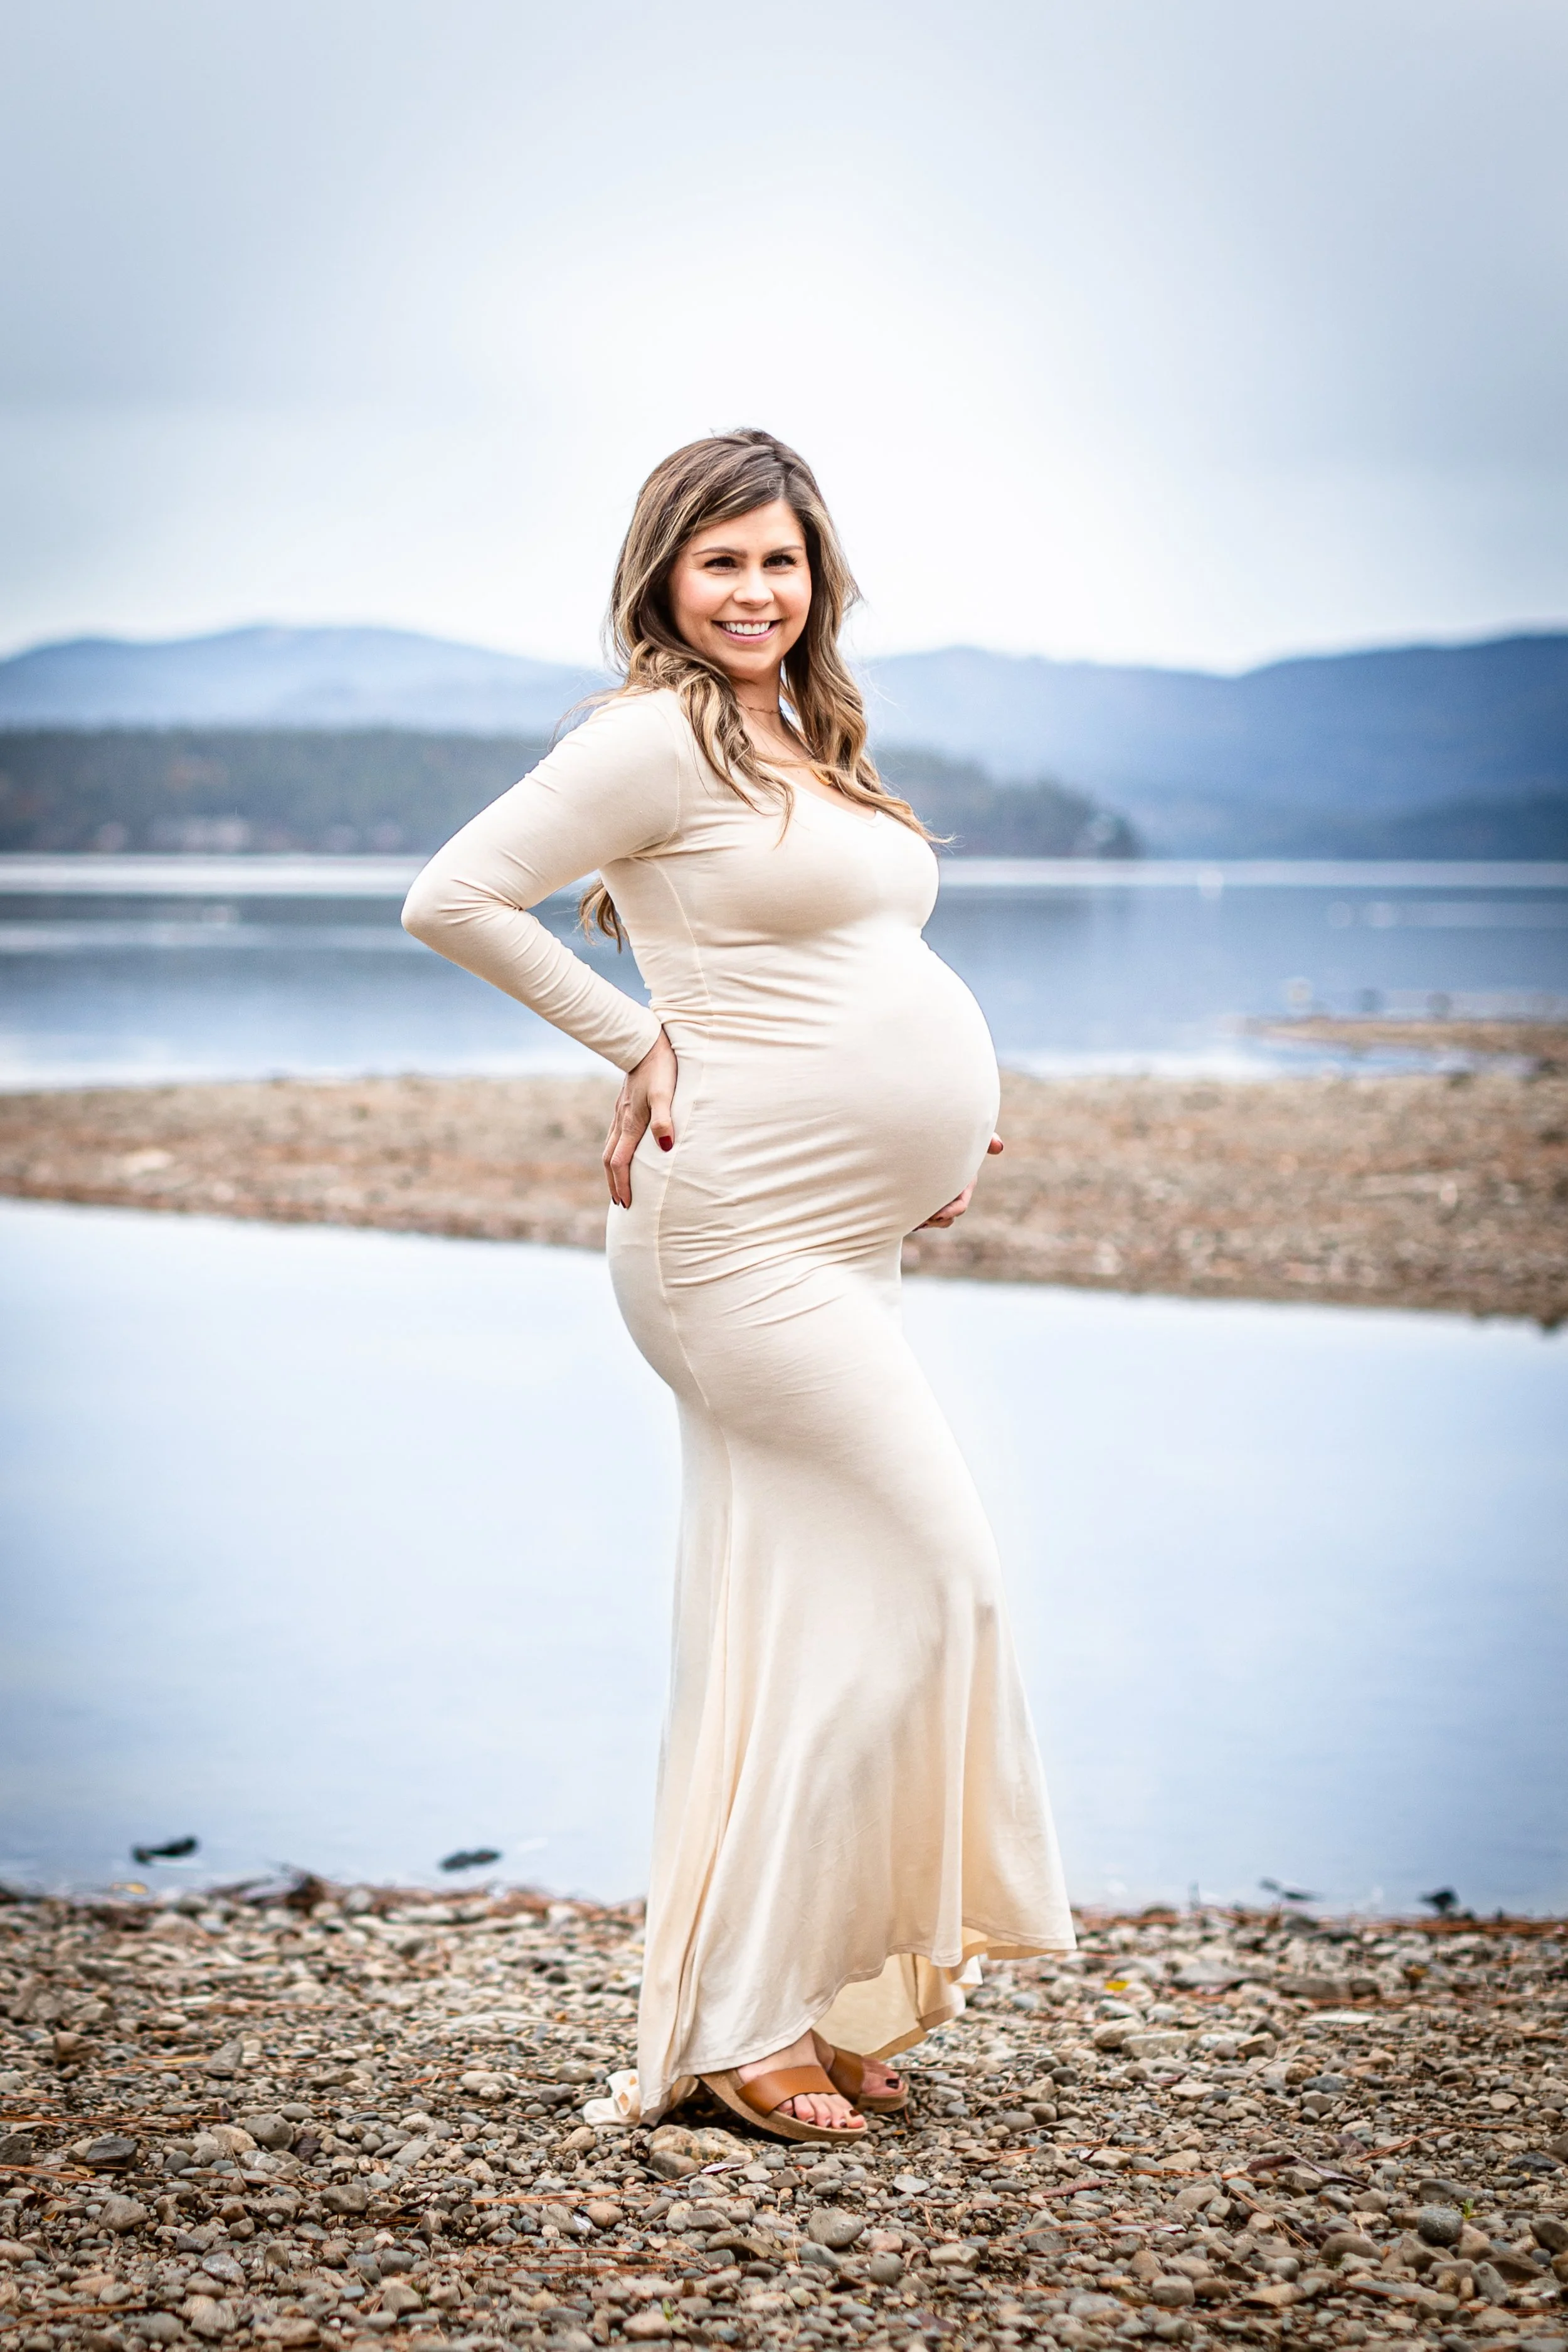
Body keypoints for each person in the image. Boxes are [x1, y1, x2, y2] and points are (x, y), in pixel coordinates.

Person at [402, 430, 1073, 2144]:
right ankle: (742, 2015)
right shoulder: (647, 735)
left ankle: (799, 1998)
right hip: (733, 1237)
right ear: (663, 579)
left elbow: (845, 961)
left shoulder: (803, 734)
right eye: (721, 564)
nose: (754, 593)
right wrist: (637, 1040)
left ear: (815, 576)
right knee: (939, 1578)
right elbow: (454, 895)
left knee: (808, 1610)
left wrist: (940, 1116)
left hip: (839, 1232)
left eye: (778, 562)